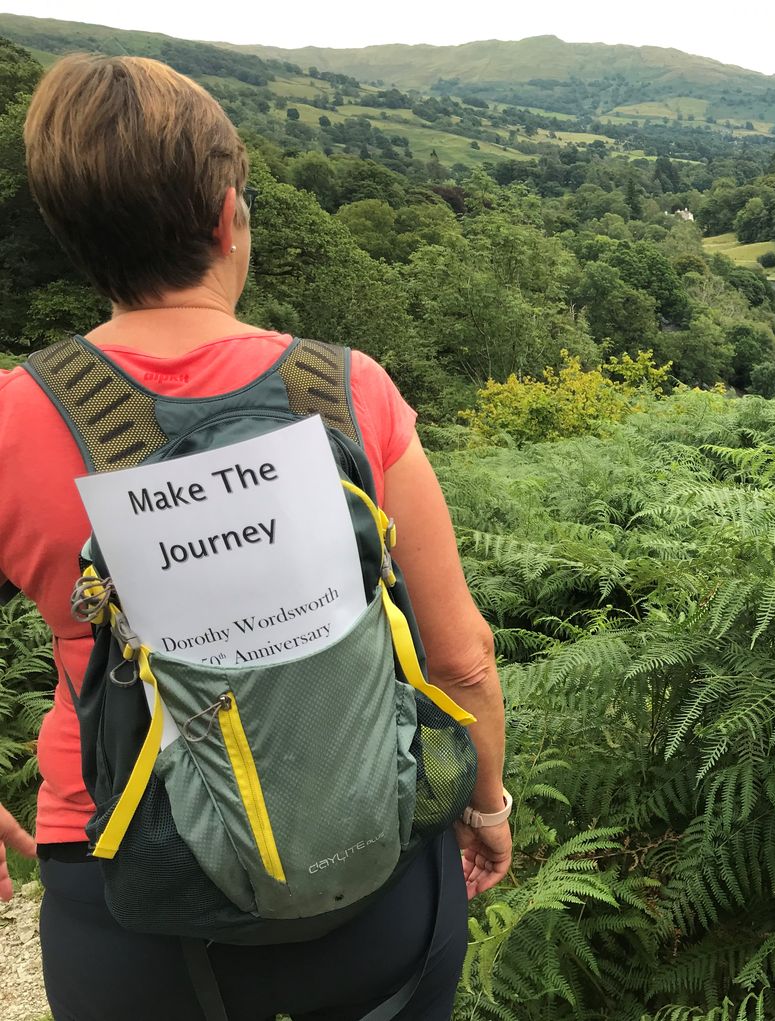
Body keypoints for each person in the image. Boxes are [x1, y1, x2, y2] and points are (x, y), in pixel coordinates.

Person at [0, 53, 510, 1020]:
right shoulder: (351, 391)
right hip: (371, 866)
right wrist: (485, 804)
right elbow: (464, 658)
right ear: (231, 216)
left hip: (120, 888)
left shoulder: (15, 420)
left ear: (72, 236)